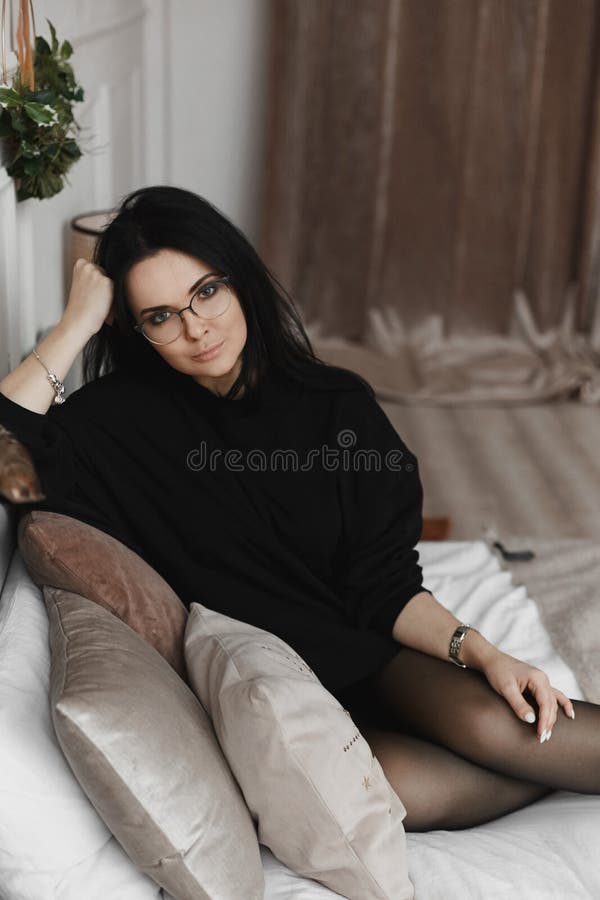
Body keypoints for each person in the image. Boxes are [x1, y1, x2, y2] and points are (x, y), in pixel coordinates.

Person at [0, 185, 598, 833]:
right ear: (136, 329)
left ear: (240, 278)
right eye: (161, 316)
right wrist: (76, 324)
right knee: (378, 793)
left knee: (497, 723)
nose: (196, 327)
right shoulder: (115, 426)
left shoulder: (337, 406)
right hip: (274, 689)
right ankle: (542, 775)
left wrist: (483, 654)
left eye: (206, 292)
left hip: (373, 655)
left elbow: (386, 588)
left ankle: (537, 760)